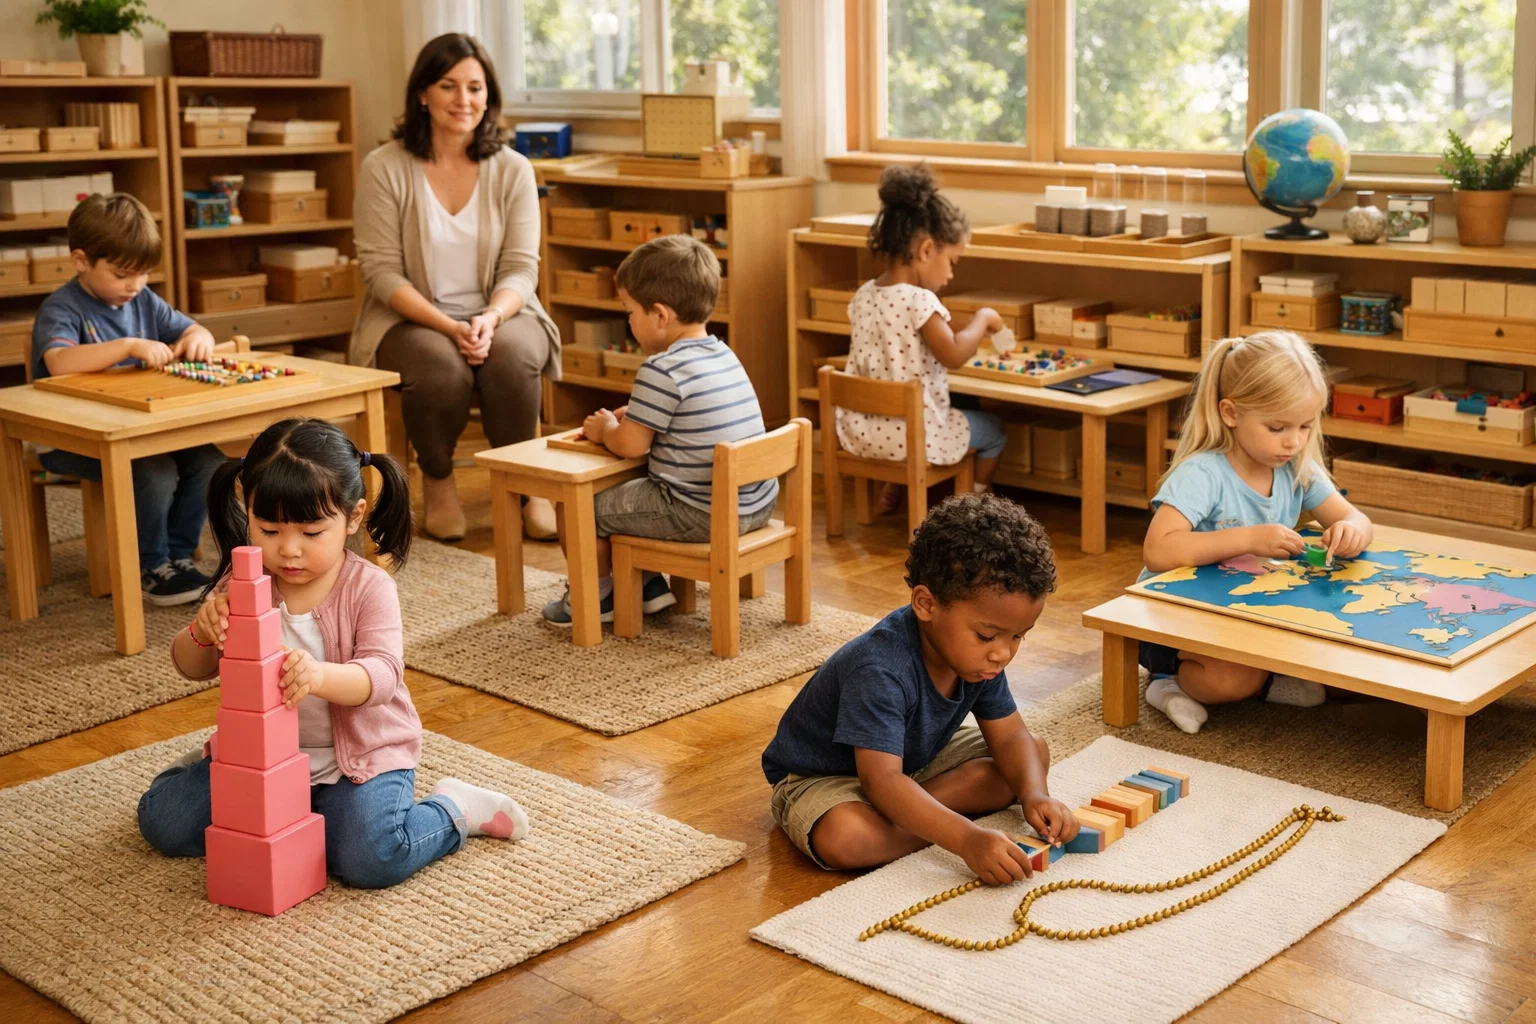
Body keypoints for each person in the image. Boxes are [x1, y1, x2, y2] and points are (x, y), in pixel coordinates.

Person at [137, 418, 529, 889]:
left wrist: (319, 676)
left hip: (357, 763)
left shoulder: (368, 588)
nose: (289, 550)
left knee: (371, 859)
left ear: (353, 517)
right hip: (262, 761)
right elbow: (191, 668)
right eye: (268, 528)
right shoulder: (242, 582)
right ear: (247, 510)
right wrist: (201, 632)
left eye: (310, 532)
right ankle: (207, 776)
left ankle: (453, 809)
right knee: (163, 822)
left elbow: (383, 676)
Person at [762, 493, 1077, 881]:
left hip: (913, 763)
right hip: (826, 777)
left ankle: (910, 816)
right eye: (987, 635)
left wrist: (1035, 795)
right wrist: (966, 839)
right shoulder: (878, 668)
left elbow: (1010, 735)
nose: (1003, 654)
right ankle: (922, 820)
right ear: (926, 604)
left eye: (1017, 637)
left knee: (1032, 754)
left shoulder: (979, 659)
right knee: (846, 837)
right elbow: (881, 780)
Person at [353, 32, 560, 543]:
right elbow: (382, 273)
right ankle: (439, 483)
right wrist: (450, 326)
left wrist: (490, 318)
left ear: (489, 95)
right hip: (409, 318)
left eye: (475, 87)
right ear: (423, 93)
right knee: (440, 367)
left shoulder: (512, 168)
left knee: (512, 357)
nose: (463, 100)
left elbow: (521, 267)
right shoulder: (383, 167)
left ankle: (527, 485)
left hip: (505, 312)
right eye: (448, 86)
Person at [1139, 330, 1374, 734]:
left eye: (1305, 425)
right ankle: (1166, 682)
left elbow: (1355, 517)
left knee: (1346, 661)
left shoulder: (1296, 466)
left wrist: (1351, 531)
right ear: (1231, 413)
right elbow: (1158, 551)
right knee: (1231, 681)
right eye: (1278, 427)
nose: (1294, 441)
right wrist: (1248, 538)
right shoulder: (1203, 473)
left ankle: (1262, 678)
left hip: (1248, 613)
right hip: (1176, 619)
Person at [542, 235, 776, 625]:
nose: (628, 322)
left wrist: (606, 428)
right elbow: (694, 413)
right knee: (631, 497)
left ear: (660, 315)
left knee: (578, 503)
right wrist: (639, 412)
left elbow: (631, 446)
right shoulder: (723, 352)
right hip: (756, 503)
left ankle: (595, 597)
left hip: (701, 513)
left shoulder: (661, 368)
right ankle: (648, 585)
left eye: (630, 312)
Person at [30, 192, 223, 606]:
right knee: (154, 470)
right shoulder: (61, 308)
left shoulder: (144, 300)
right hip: (67, 438)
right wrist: (127, 346)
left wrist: (198, 338)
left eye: (142, 274)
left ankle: (178, 555)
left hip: (136, 429)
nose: (134, 285)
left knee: (210, 461)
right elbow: (60, 362)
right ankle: (150, 567)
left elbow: (192, 329)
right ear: (82, 260)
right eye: (121, 274)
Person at [838, 164, 1008, 515]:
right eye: (952, 262)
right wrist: (984, 318)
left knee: (918, 409)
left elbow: (920, 330)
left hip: (862, 432)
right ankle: (971, 506)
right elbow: (955, 354)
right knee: (994, 430)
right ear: (927, 250)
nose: (950, 274)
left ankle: (892, 487)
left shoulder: (865, 295)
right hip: (912, 438)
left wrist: (964, 323)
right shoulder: (920, 301)